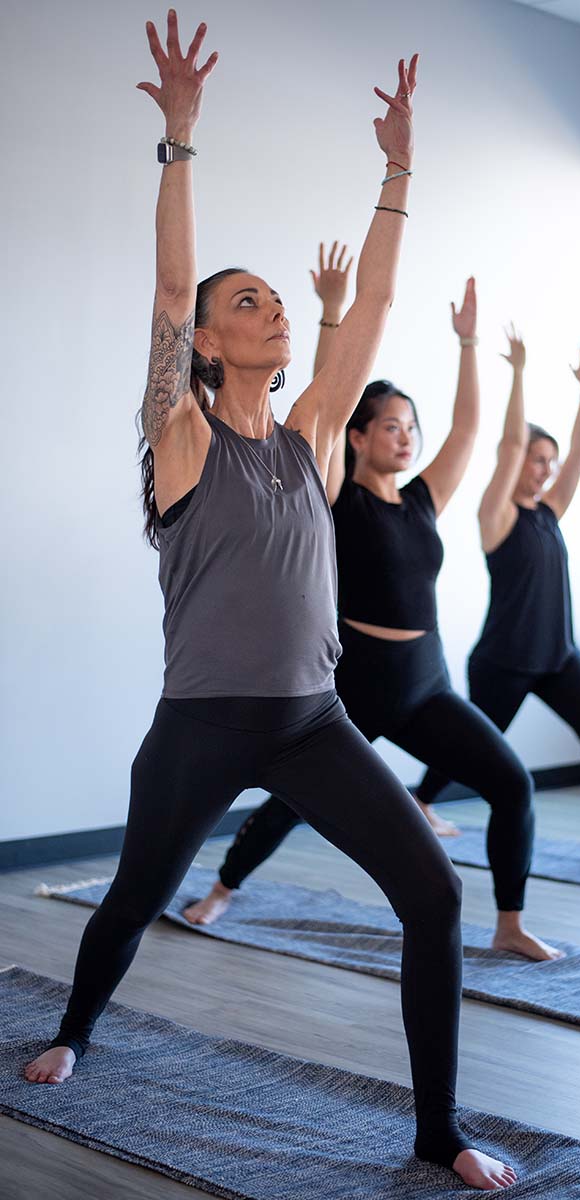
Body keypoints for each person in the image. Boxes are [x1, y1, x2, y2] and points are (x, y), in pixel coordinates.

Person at [23, 14, 516, 1189]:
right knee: (133, 902)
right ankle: (75, 1026)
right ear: (202, 341)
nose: (273, 313)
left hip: (309, 717)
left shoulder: (308, 440)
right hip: (200, 725)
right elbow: (163, 283)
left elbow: (378, 306)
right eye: (246, 305)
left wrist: (396, 170)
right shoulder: (179, 437)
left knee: (433, 894)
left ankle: (437, 1130)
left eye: (276, 306)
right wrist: (179, 141)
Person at [184, 261, 562, 966]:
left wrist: (470, 348)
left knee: (513, 783)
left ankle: (508, 922)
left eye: (410, 427)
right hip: (355, 684)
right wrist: (330, 315)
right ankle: (224, 888)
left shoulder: (424, 500)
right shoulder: (332, 494)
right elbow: (328, 398)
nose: (406, 437)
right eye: (390, 426)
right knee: (292, 801)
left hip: (425, 684)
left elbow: (474, 431)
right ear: (358, 437)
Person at [415, 327, 580, 867]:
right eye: (537, 459)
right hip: (505, 662)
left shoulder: (550, 511)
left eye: (550, 462)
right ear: (517, 462)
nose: (546, 470)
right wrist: (519, 372)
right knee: (471, 743)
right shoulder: (497, 516)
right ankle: (422, 801)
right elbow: (508, 444)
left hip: (558, 657)